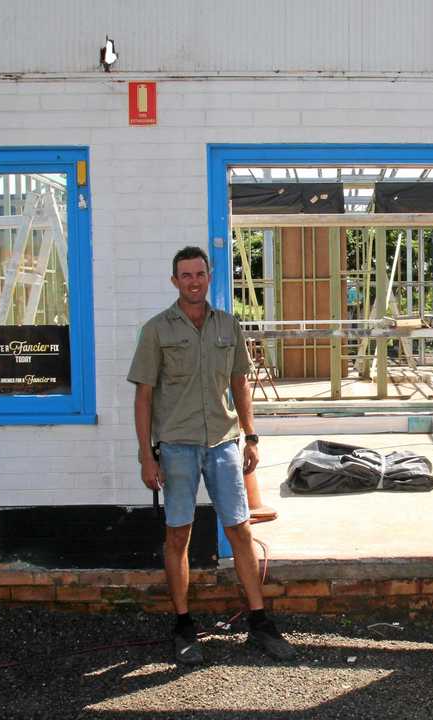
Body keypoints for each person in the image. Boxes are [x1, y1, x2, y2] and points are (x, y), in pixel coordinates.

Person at [127, 245, 295, 665]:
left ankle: (259, 622)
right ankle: (183, 626)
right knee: (178, 535)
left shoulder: (228, 326)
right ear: (175, 281)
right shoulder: (156, 330)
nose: (194, 281)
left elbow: (240, 384)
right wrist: (147, 456)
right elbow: (143, 397)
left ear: (209, 277)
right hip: (177, 447)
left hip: (223, 444)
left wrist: (251, 436)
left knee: (240, 530)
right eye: (185, 275)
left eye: (200, 274)